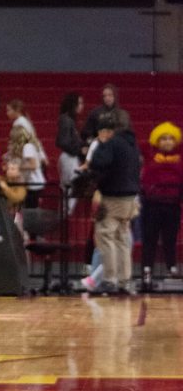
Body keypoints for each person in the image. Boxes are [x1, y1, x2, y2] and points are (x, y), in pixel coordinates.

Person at [88, 115, 141, 294]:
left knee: (106, 235)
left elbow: (97, 162)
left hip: (113, 196)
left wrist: (102, 144)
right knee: (122, 238)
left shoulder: (112, 143)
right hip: (130, 198)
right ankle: (124, 281)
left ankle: (109, 279)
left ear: (110, 130)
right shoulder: (132, 144)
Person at [140, 122, 183, 287]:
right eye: (163, 138)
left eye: (170, 138)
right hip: (152, 206)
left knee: (170, 239)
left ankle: (171, 268)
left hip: (172, 206)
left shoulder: (180, 161)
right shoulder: (151, 158)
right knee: (149, 239)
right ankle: (146, 270)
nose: (167, 142)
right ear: (157, 141)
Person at [56, 92, 84, 195]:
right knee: (71, 189)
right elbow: (63, 142)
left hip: (70, 157)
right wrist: (79, 149)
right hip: (69, 157)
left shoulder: (68, 120)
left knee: (69, 190)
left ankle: (66, 211)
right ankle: (66, 211)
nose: (82, 106)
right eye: (79, 103)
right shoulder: (67, 120)